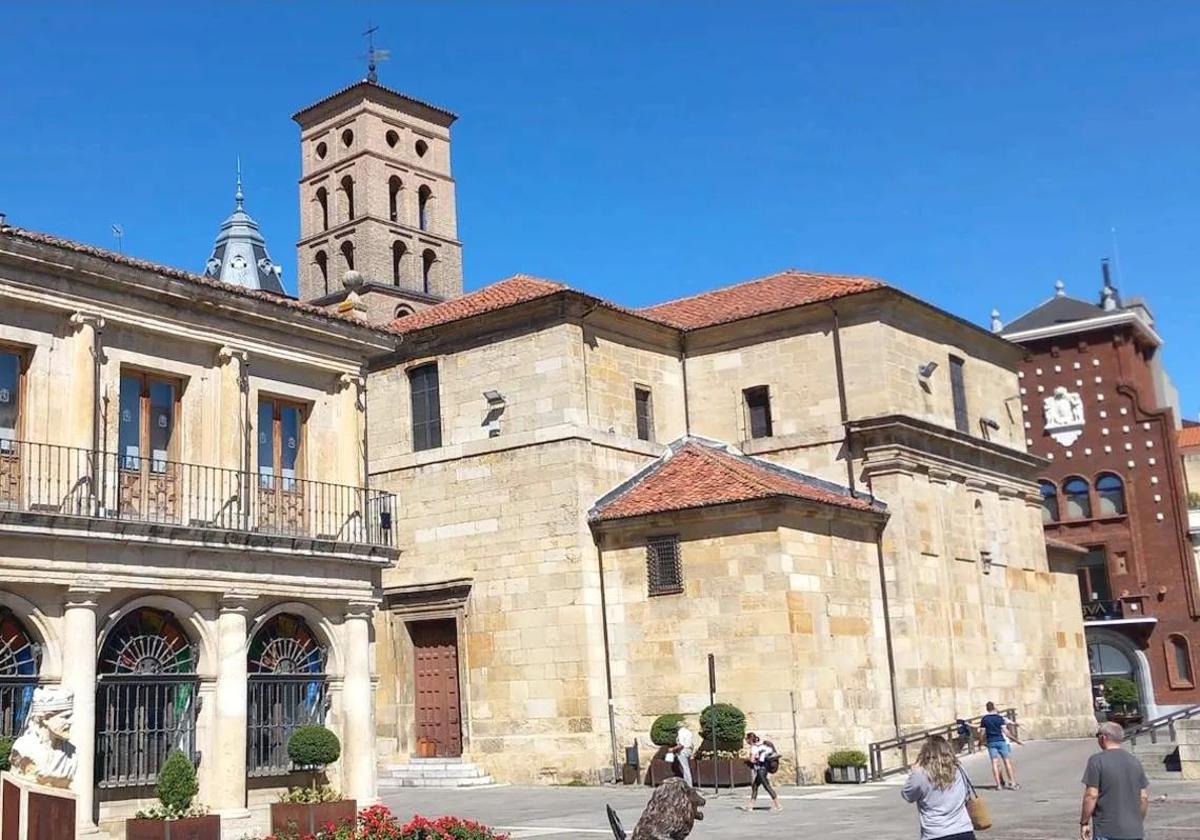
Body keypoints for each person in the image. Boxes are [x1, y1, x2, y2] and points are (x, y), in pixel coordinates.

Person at [1079, 721, 1149, 840]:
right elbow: (1143, 797)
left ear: (1103, 737)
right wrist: (1137, 820)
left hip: (1107, 829)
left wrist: (1084, 822)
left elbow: (1091, 795)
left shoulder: (1097, 761)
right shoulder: (1134, 761)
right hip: (1134, 831)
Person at [901, 735, 976, 840]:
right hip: (963, 830)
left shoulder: (921, 773)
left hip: (936, 833)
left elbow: (908, 795)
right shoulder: (959, 769)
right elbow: (967, 794)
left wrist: (913, 773)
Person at [978, 701, 1023, 789]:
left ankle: (998, 785)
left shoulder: (984, 719)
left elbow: (982, 733)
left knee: (994, 763)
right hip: (1001, 741)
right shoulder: (999, 718)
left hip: (991, 742)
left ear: (987, 709)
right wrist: (1016, 740)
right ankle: (1012, 783)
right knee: (1007, 762)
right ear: (994, 707)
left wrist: (980, 742)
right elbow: (1006, 732)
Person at [740, 732, 782, 812]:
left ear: (750, 740)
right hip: (764, 769)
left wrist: (746, 759)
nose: (746, 741)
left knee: (767, 786)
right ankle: (750, 806)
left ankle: (778, 805)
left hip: (760, 770)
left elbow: (752, 760)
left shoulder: (754, 748)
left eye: (746, 739)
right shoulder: (761, 745)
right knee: (755, 786)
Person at [668, 719, 695, 787]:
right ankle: (688, 783)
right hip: (688, 750)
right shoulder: (688, 732)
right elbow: (691, 744)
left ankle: (688, 784)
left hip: (683, 751)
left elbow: (681, 745)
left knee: (685, 768)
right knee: (686, 767)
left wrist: (672, 749)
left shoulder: (681, 733)